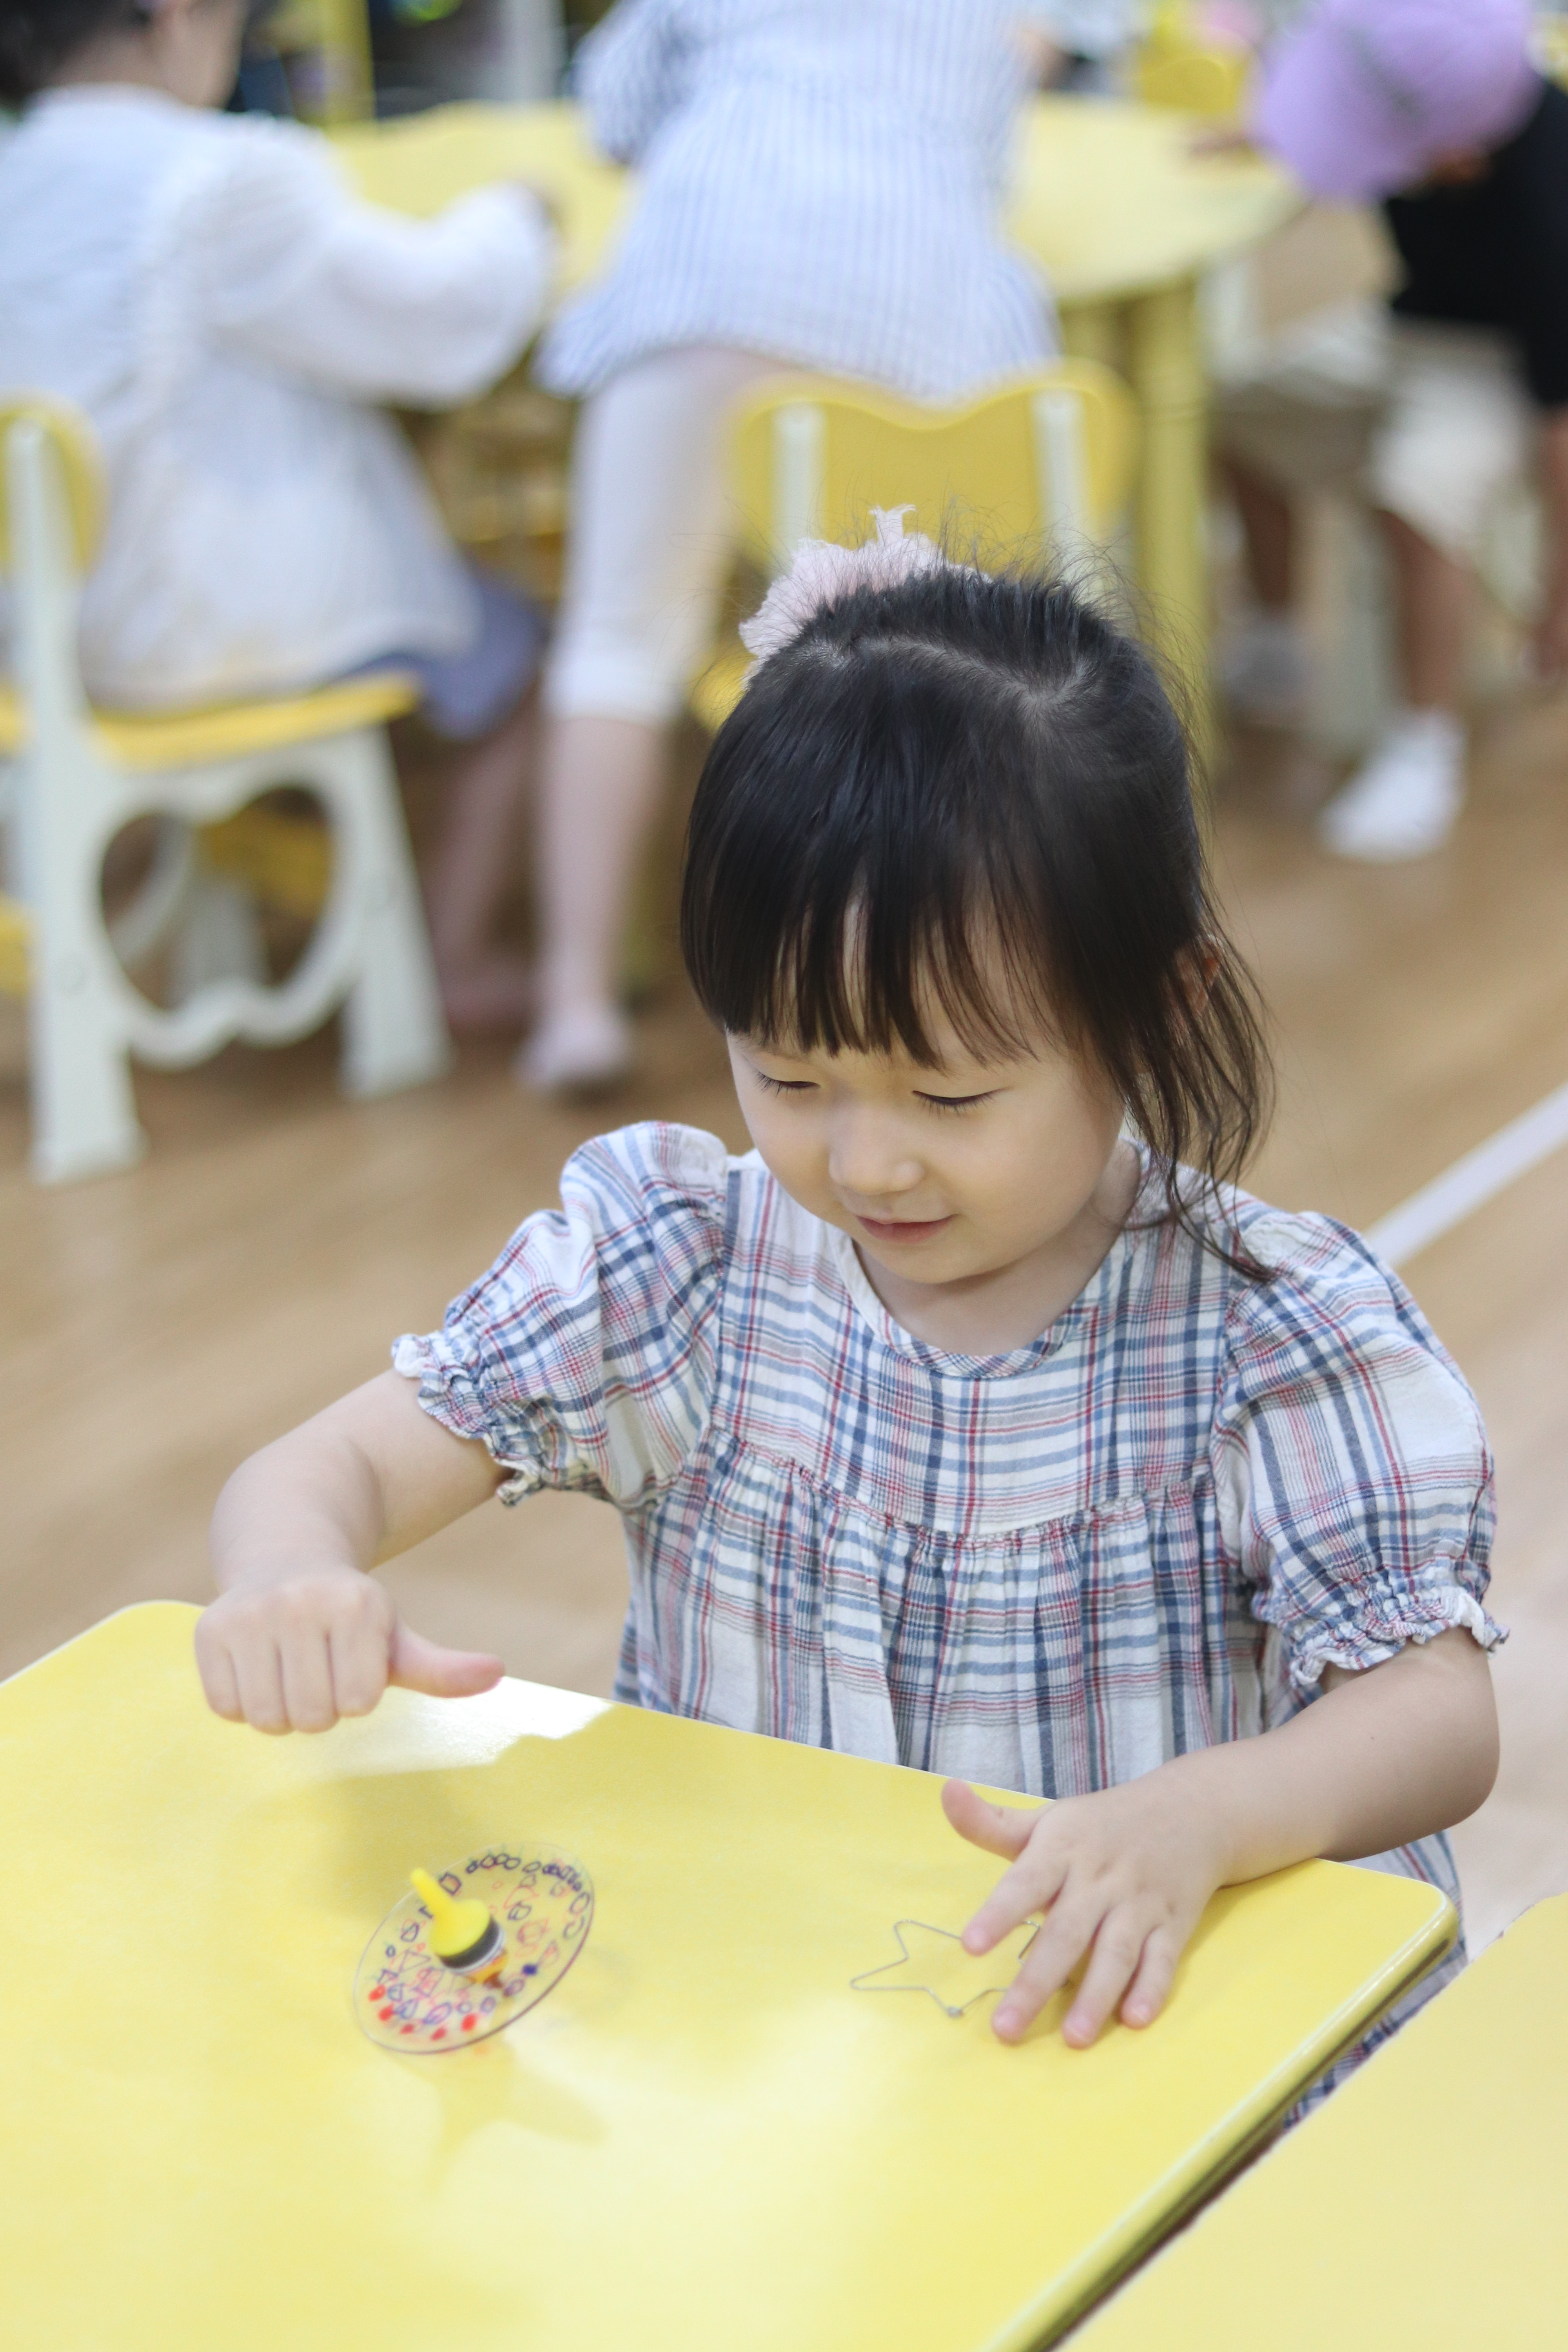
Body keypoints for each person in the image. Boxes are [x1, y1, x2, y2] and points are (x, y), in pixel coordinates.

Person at [196, 518, 1501, 2067]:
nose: (867, 1160)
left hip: (1127, 2042)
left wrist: (1206, 1815)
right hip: (784, 2045)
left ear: (1155, 1012)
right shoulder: (680, 1264)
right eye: (790, 1074)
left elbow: (1437, 1713)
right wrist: (290, 1573)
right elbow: (322, 1469)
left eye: (950, 1097)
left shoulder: (1265, 1335)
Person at [521, 0, 1062, 1094]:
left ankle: (575, 1002)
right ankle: (941, 976)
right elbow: (991, 154)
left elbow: (612, 114)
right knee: (925, 658)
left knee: (617, 643)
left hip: (705, 279)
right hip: (914, 313)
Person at [0, 0, 555, 1029]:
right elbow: (432, 321)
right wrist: (517, 217)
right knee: (522, 655)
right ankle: (456, 957)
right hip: (200, 626)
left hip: (51, 628)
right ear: (175, 14)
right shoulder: (222, 181)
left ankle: (308, 913)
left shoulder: (17, 177)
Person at [1216, 0, 1563, 862]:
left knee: (1417, 494)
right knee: (1234, 409)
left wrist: (1560, 592)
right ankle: (1275, 639)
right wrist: (1269, 136)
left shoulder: (1545, 218)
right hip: (1406, 329)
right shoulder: (1435, 104)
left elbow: (1560, 421)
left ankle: (1423, 741)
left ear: (1453, 156)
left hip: (1502, 365)